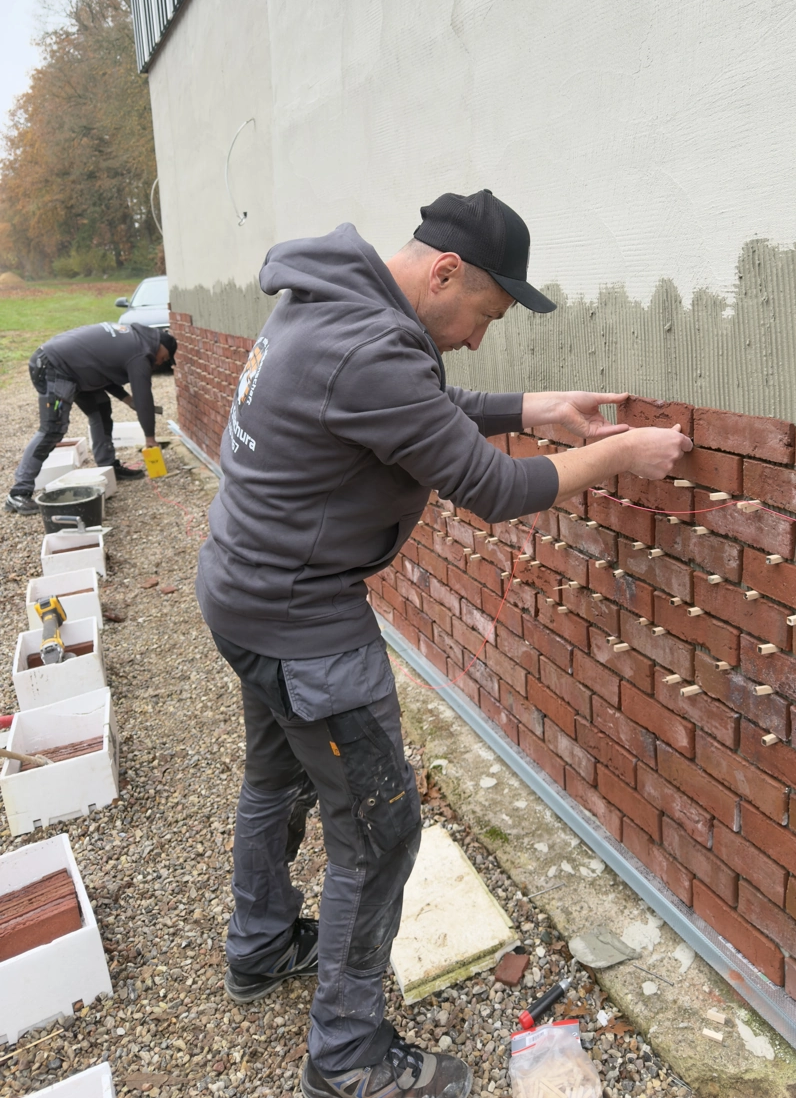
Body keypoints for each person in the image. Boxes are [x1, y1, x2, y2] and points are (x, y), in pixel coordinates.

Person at [196, 190, 692, 1098]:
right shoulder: (368, 346)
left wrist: (532, 405)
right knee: (381, 833)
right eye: (486, 317)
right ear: (446, 273)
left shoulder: (333, 300)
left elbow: (417, 403)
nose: (477, 338)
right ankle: (345, 1054)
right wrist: (624, 454)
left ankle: (260, 944)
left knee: (276, 775)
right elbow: (495, 489)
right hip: (305, 626)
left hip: (242, 592)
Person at [5, 321, 177, 516]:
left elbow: (101, 370)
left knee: (101, 410)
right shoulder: (141, 352)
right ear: (162, 346)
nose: (163, 362)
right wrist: (150, 439)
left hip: (70, 369)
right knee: (52, 429)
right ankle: (19, 492)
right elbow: (144, 396)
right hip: (53, 367)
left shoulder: (135, 339)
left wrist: (126, 399)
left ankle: (108, 466)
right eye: (166, 358)